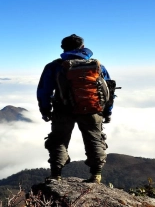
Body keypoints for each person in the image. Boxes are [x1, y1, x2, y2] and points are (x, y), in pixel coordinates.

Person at [36, 34, 113, 184]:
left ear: (62, 48)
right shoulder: (97, 66)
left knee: (58, 141)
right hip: (92, 110)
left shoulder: (54, 66)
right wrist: (108, 112)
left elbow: (44, 91)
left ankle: (56, 175)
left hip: (62, 110)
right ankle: (96, 175)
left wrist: (44, 110)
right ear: (83, 47)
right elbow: (108, 89)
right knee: (95, 140)